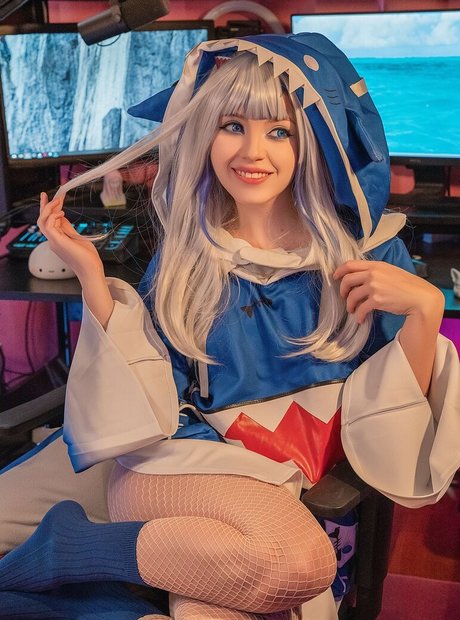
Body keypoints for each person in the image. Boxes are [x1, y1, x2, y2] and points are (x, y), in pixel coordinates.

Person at [1, 33, 459, 620]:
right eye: (232, 126)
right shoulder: (189, 257)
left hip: (268, 493)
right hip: (172, 470)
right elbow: (148, 395)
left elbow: (395, 413)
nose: (252, 151)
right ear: (205, 133)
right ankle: (73, 550)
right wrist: (92, 276)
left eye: (279, 131)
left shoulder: (369, 254)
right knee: (301, 562)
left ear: (313, 140)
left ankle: (82, 570)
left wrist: (426, 311)